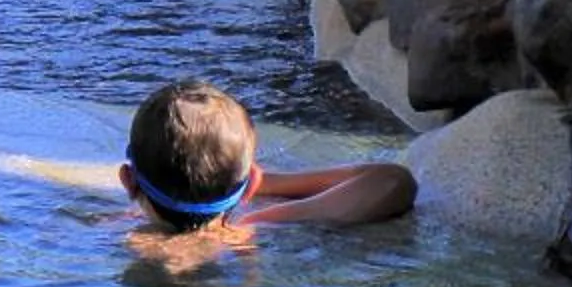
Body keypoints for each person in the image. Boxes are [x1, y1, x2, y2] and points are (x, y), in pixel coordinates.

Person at [119, 80, 415, 234]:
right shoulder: (246, 232)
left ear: (127, 180)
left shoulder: (124, 231)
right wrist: (267, 204)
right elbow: (393, 181)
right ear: (250, 183)